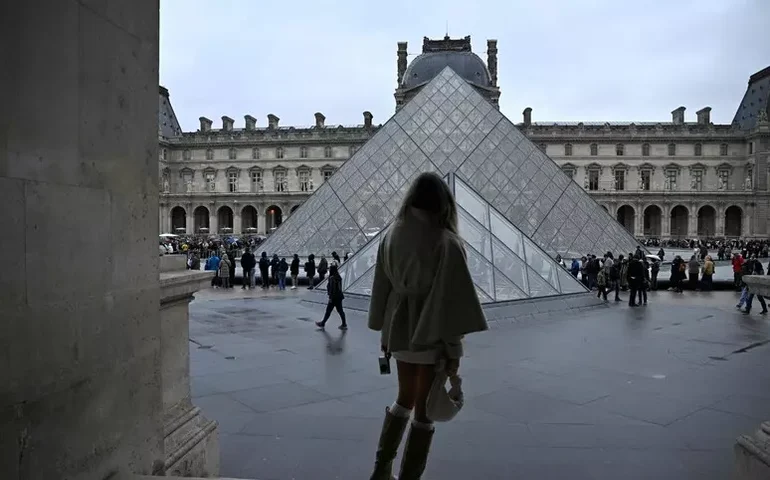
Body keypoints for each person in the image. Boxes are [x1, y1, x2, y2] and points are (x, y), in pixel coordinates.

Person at [366, 172, 488, 480]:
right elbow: (452, 303)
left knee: (403, 398)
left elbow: (381, 287)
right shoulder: (446, 241)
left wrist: (382, 329)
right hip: (431, 333)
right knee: (424, 410)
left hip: (398, 329)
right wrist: (454, 351)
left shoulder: (391, 235)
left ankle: (381, 471)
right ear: (443, 203)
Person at [315, 264, 347, 330]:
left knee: (328, 311)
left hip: (334, 297)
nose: (329, 270)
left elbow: (333, 289)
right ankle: (344, 324)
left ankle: (323, 323)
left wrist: (330, 298)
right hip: (339, 296)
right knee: (340, 311)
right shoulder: (338, 277)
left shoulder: (332, 278)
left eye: (329, 269)